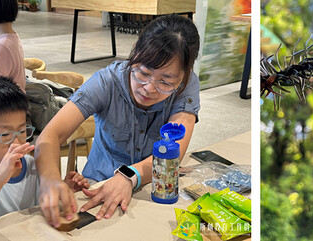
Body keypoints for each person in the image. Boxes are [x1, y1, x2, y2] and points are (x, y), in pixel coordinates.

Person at [35, 14, 201, 228]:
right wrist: (49, 180)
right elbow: (50, 136)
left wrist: (129, 176)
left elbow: (173, 152)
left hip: (151, 187)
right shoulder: (107, 82)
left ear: (184, 77)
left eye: (165, 82)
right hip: (97, 187)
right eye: (143, 72)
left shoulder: (186, 86)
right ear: (135, 53)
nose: (149, 88)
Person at [0, 77, 89, 237]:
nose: (17, 142)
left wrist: (64, 189)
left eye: (22, 131)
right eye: (5, 134)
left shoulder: (32, 164)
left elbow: (41, 203)